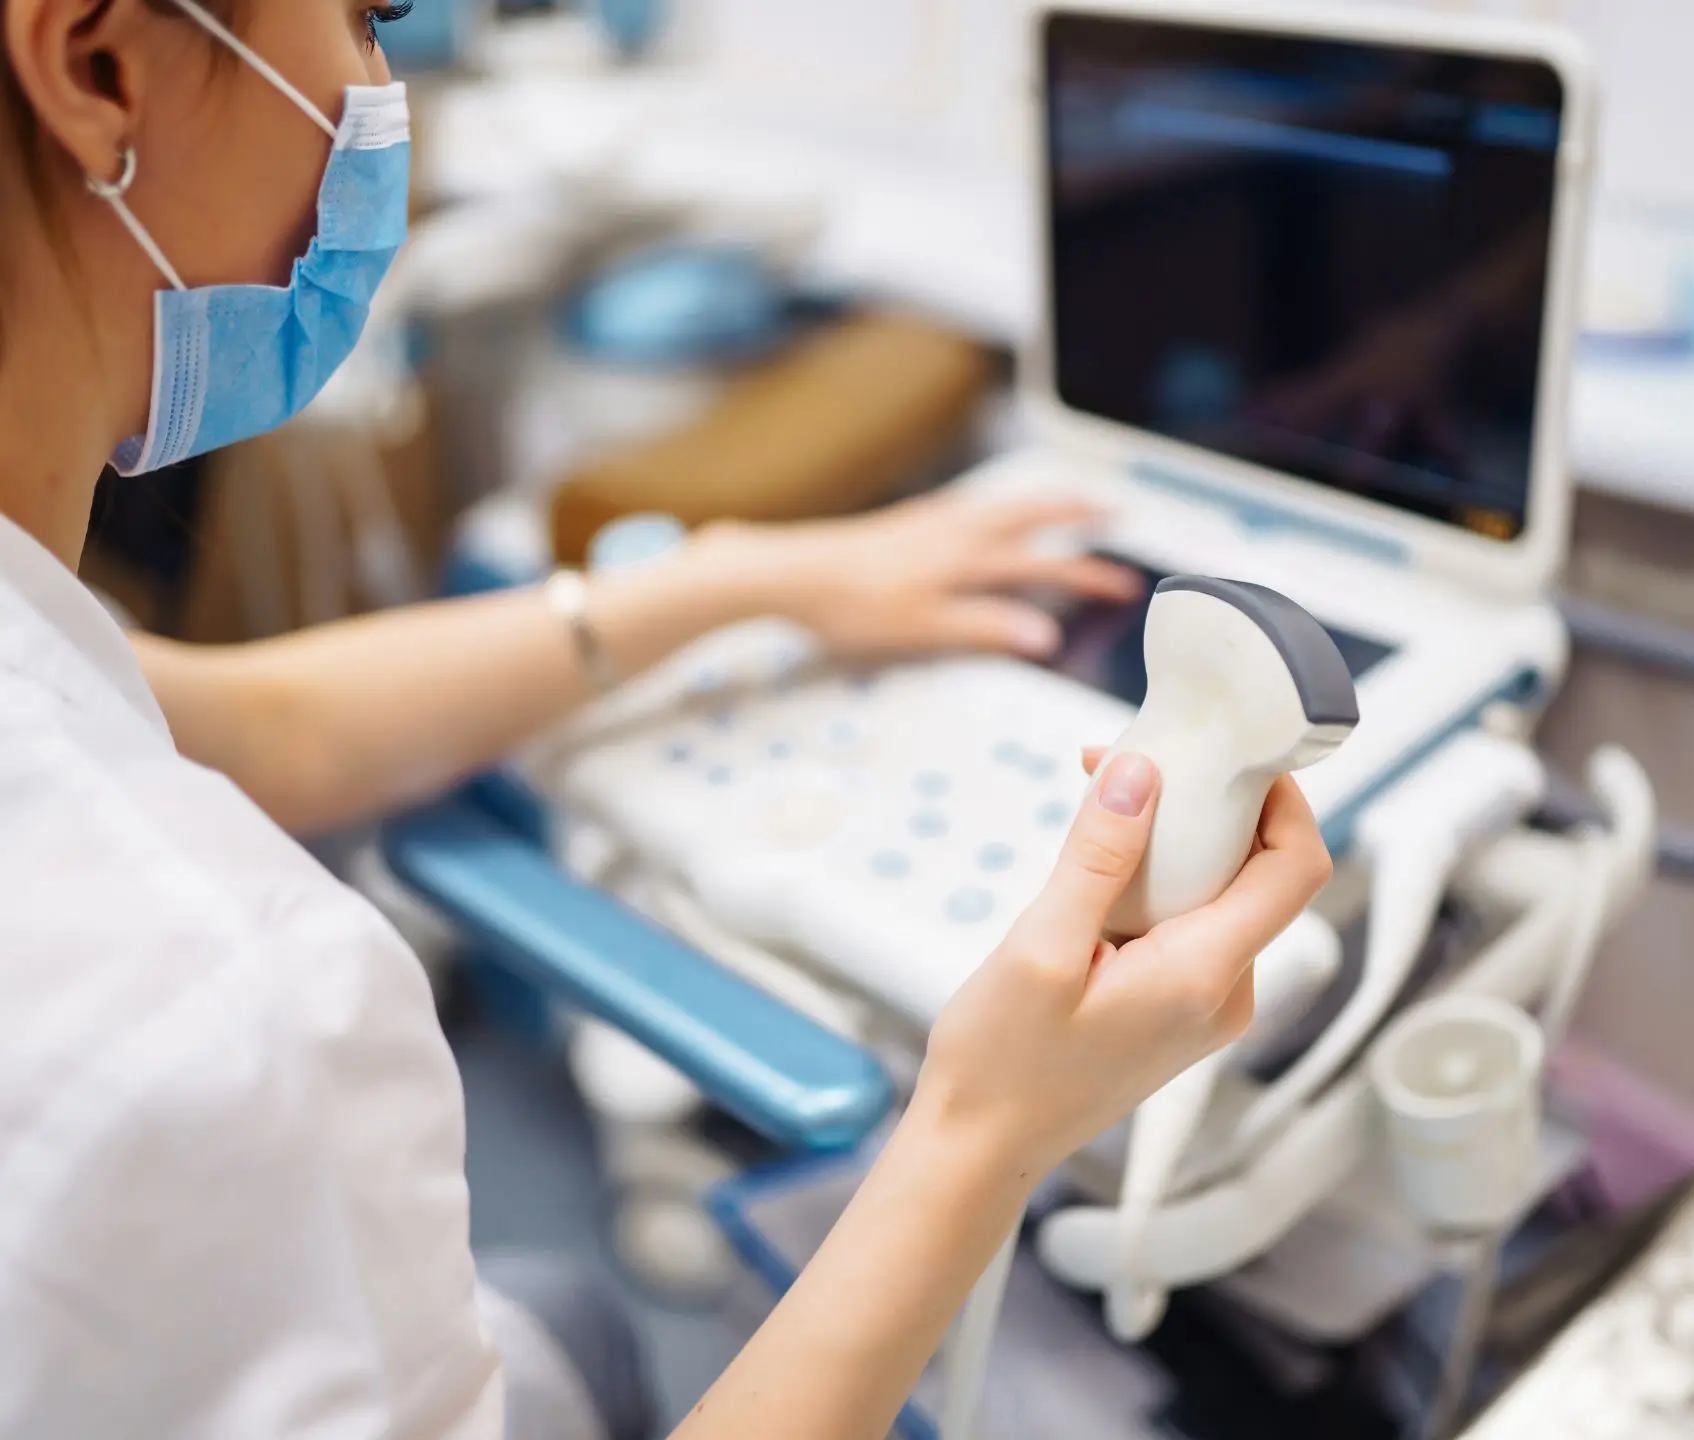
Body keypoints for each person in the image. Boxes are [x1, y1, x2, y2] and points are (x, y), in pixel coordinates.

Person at [0, 1, 1335, 1437]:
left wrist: (744, 581)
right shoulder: (228, 1005)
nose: (383, 96)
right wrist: (986, 1130)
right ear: (97, 63)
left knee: (564, 1316)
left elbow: (241, 721)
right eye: (367, 13)